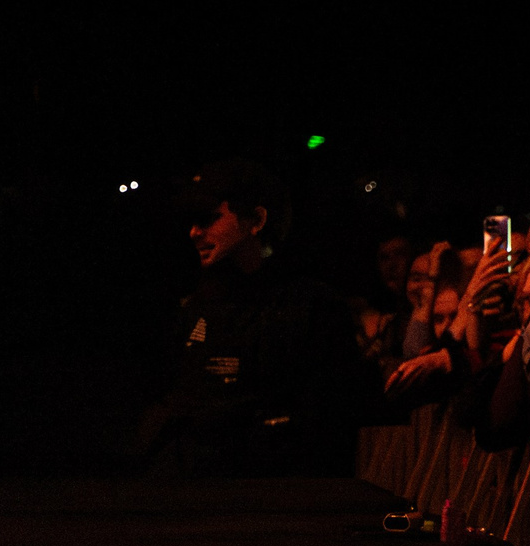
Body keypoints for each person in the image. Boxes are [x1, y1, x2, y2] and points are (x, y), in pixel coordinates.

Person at [139, 159, 372, 479]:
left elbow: (332, 415)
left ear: (257, 220)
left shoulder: (311, 306)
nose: (194, 232)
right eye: (192, 221)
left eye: (208, 218)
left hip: (275, 492)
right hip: (193, 490)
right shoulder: (195, 307)